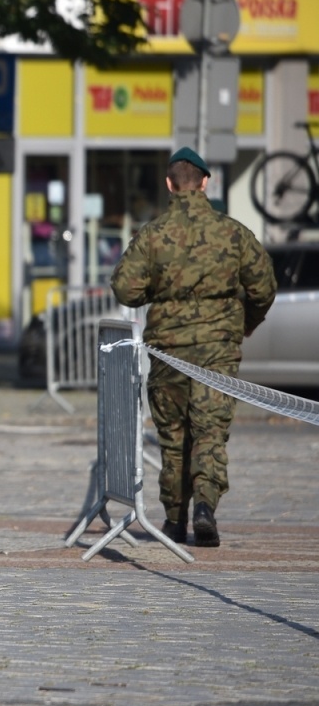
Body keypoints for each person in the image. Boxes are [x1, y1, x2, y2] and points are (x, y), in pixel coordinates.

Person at [110, 147, 275, 547]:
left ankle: (173, 520)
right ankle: (205, 506)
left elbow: (125, 288)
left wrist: (158, 291)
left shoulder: (152, 234)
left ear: (169, 184)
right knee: (209, 432)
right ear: (205, 183)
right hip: (217, 352)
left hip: (168, 352)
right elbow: (264, 287)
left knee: (173, 437)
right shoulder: (233, 232)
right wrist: (245, 325)